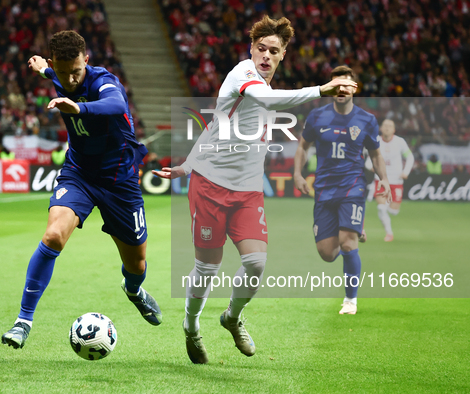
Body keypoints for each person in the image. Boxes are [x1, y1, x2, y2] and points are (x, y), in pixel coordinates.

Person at [152, 16, 357, 364]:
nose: (265, 55)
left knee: (256, 262)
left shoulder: (261, 82)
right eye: (260, 48)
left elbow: (217, 123)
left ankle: (231, 317)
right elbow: (269, 100)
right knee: (207, 268)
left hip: (247, 191)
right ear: (251, 48)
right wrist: (321, 90)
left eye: (273, 51)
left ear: (282, 55)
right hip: (210, 187)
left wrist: (187, 161)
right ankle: (191, 327)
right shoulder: (243, 74)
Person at [1, 30, 162, 349]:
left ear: (86, 61)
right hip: (80, 174)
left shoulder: (104, 82)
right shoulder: (58, 74)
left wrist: (80, 109)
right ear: (54, 65)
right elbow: (52, 72)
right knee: (53, 236)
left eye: (77, 70)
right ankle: (23, 322)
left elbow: (115, 105)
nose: (71, 80)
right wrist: (41, 68)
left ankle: (133, 291)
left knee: (137, 264)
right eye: (62, 73)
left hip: (120, 181)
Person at [293, 65, 391, 316]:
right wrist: (297, 173)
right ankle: (354, 228)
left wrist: (385, 180)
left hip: (353, 186)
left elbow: (375, 154)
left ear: (354, 89)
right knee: (327, 253)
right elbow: (303, 147)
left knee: (347, 245)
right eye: (337, 85)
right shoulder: (317, 117)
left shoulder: (367, 120)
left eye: (347, 85)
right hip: (324, 189)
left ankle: (350, 300)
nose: (342, 89)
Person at [365, 119, 414, 242]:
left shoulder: (400, 142)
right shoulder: (375, 140)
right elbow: (368, 159)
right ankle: (389, 233)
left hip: (396, 181)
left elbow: (410, 157)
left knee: (393, 211)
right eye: (385, 125)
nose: (387, 128)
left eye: (390, 126)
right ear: (380, 128)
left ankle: (389, 208)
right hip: (381, 180)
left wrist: (406, 172)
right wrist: (370, 166)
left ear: (394, 130)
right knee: (381, 208)